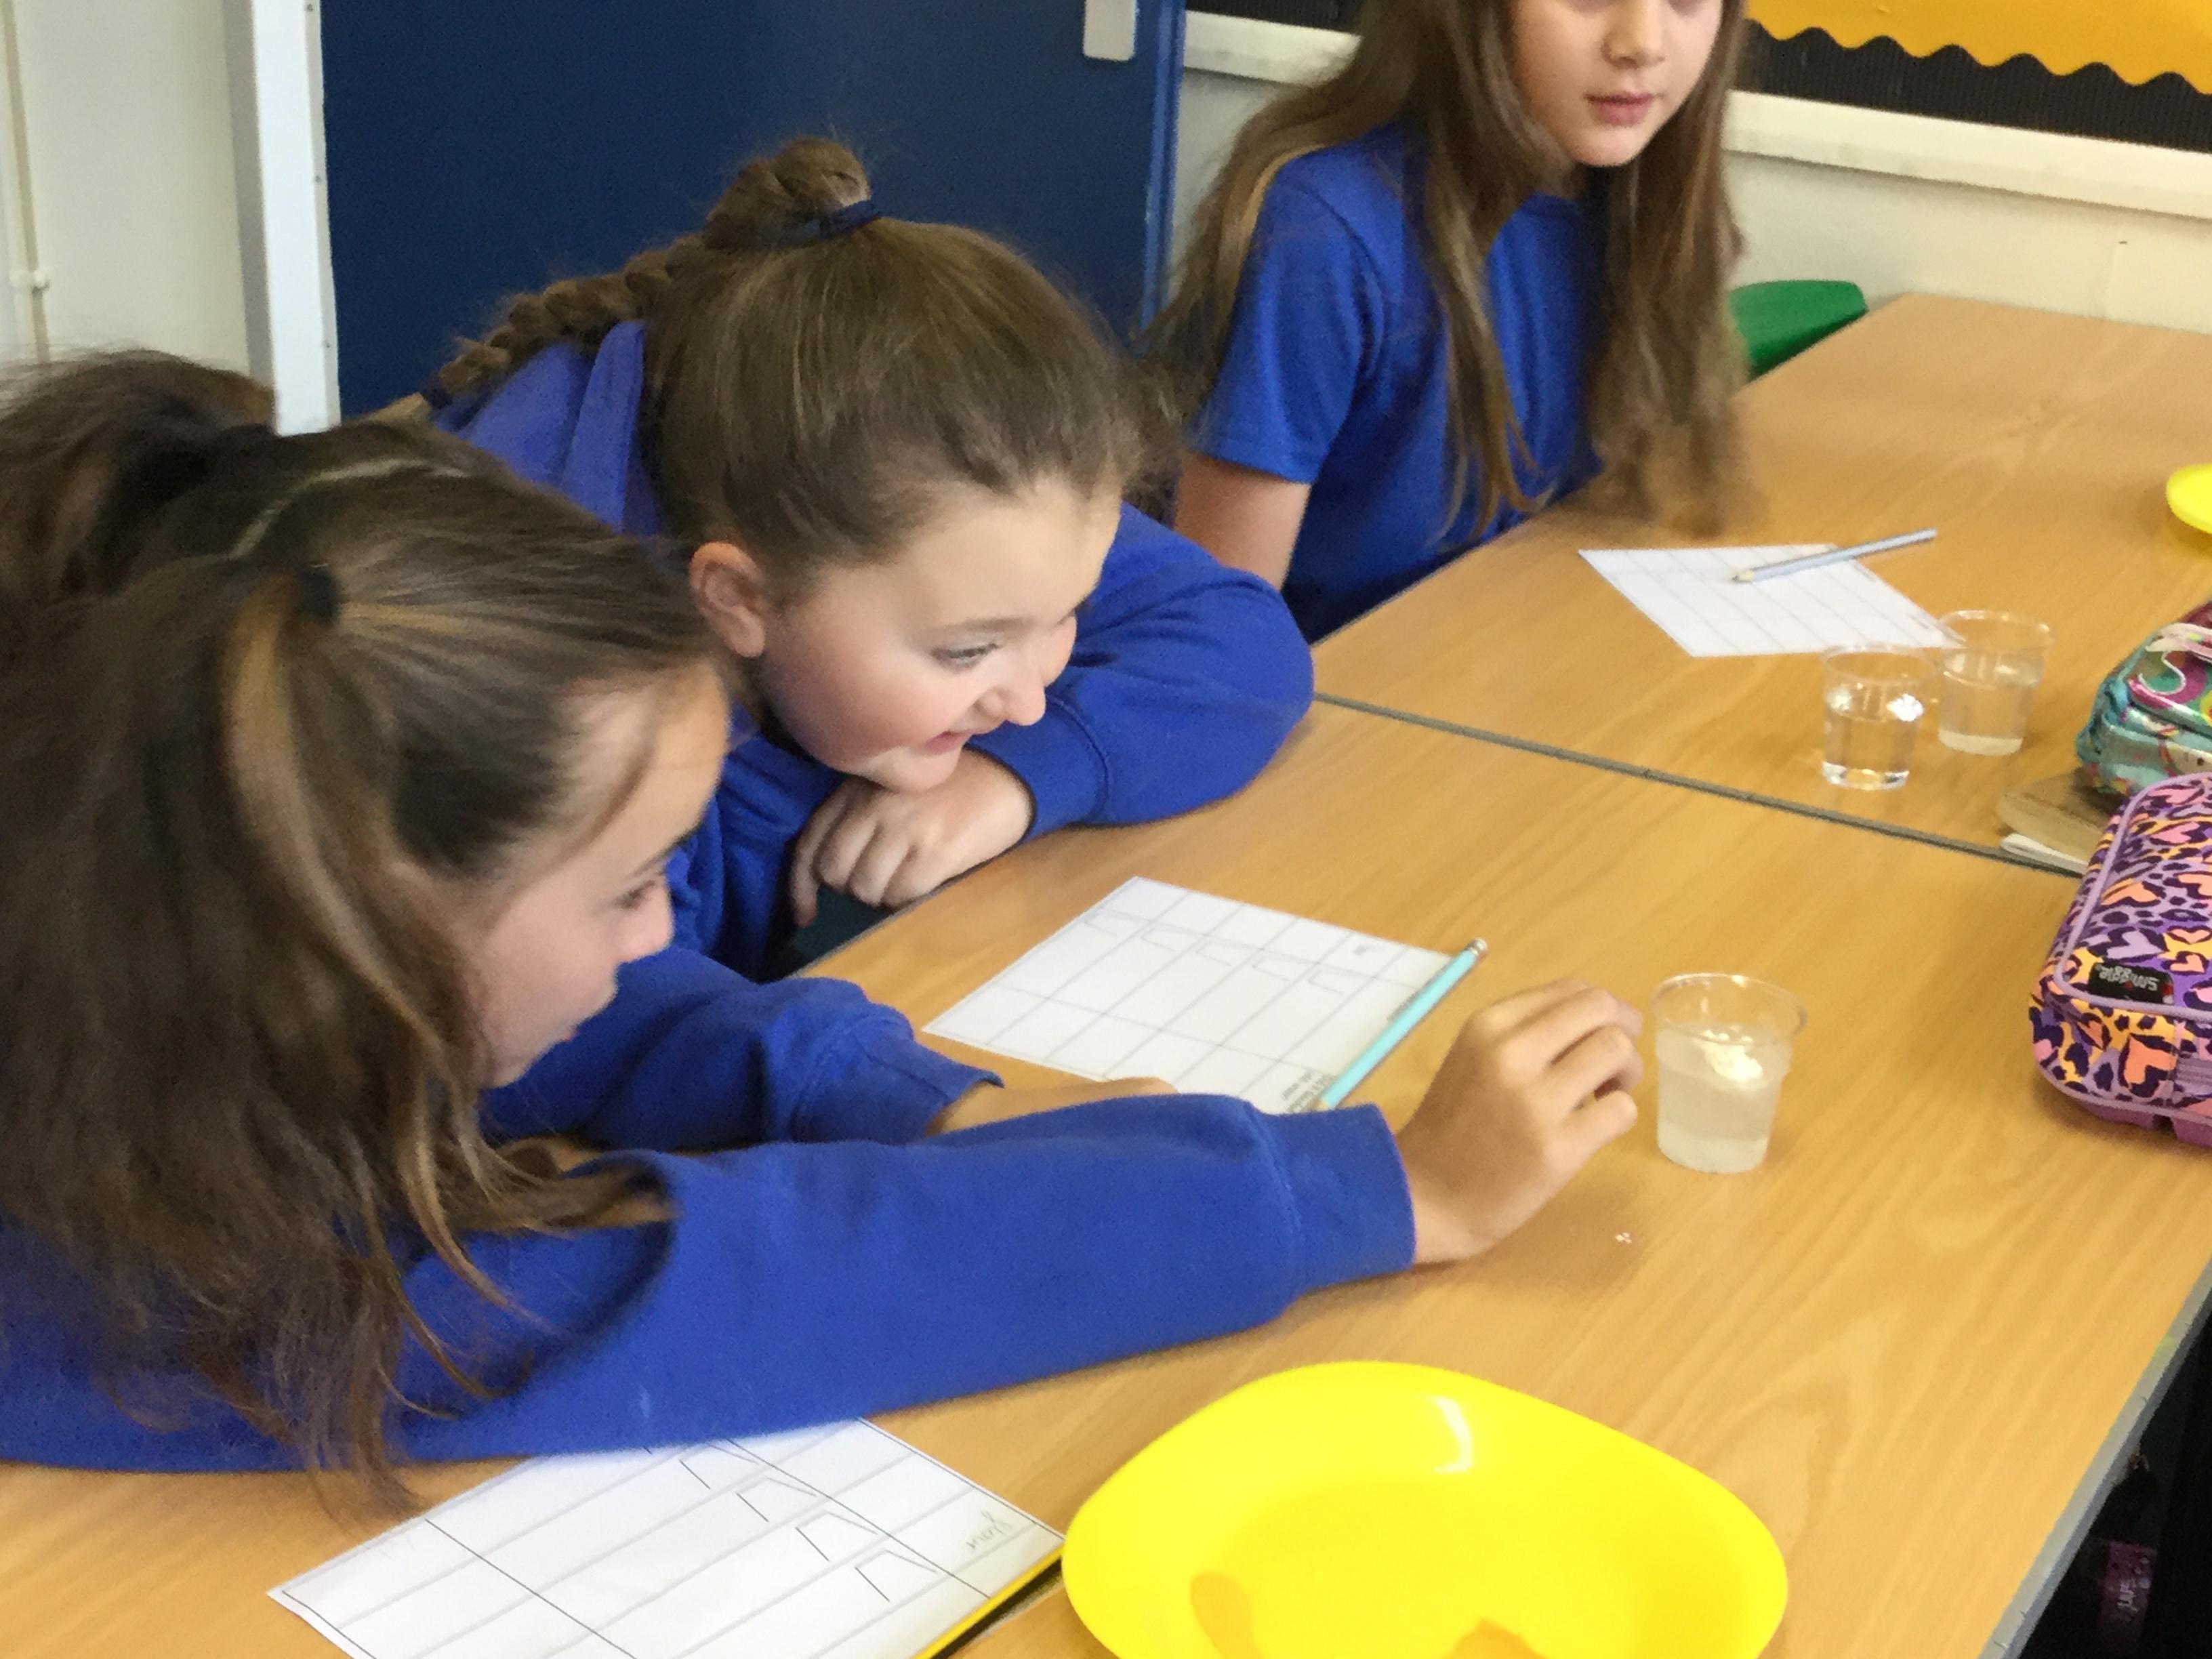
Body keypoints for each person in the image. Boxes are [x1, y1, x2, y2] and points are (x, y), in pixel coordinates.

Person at [428, 137, 1316, 979]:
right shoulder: (567, 702)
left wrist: (1018, 778)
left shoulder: (948, 501)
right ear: (738, 598)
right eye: (969, 651)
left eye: (1068, 615)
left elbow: (1244, 635)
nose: (1028, 701)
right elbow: (603, 1015)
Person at [1157, 0, 1747, 639]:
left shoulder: (1636, 205)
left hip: (1505, 650)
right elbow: (1212, 636)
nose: (1643, 42)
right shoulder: (1323, 234)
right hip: (1342, 684)